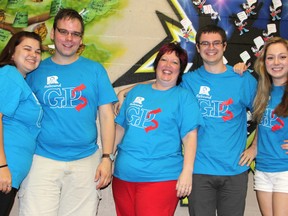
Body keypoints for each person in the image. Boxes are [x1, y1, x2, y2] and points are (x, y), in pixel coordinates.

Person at [115, 25, 257, 216]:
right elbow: (163, 80)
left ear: (224, 46)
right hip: (199, 170)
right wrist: (129, 89)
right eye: (205, 43)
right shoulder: (190, 80)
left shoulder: (243, 79)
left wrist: (255, 147)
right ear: (198, 48)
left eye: (216, 43)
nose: (210, 47)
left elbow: (266, 113)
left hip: (235, 169)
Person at [18, 8, 117, 216]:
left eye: (75, 34)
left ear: (81, 39)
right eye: (63, 32)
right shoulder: (35, 71)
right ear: (53, 33)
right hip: (42, 160)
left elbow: (106, 115)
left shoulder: (95, 70)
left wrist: (107, 157)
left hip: (85, 161)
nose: (69, 38)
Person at [112, 42, 203, 216]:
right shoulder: (137, 91)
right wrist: (107, 158)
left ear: (181, 69)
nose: (168, 65)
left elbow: (190, 138)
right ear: (157, 64)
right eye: (164, 60)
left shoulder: (184, 98)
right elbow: (120, 129)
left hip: (161, 178)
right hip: (123, 175)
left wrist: (187, 172)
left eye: (175, 62)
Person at [0, 31, 42, 216]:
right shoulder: (10, 75)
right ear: (11, 52)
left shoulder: (19, 80)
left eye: (38, 51)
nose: (33, 54)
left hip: (10, 174)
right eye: (27, 48)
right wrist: (1, 166)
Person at [251, 37, 288, 216]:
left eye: (282, 57)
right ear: (264, 62)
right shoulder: (263, 91)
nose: (276, 62)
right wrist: (254, 147)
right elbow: (263, 126)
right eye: (270, 58)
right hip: (263, 169)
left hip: (285, 170)